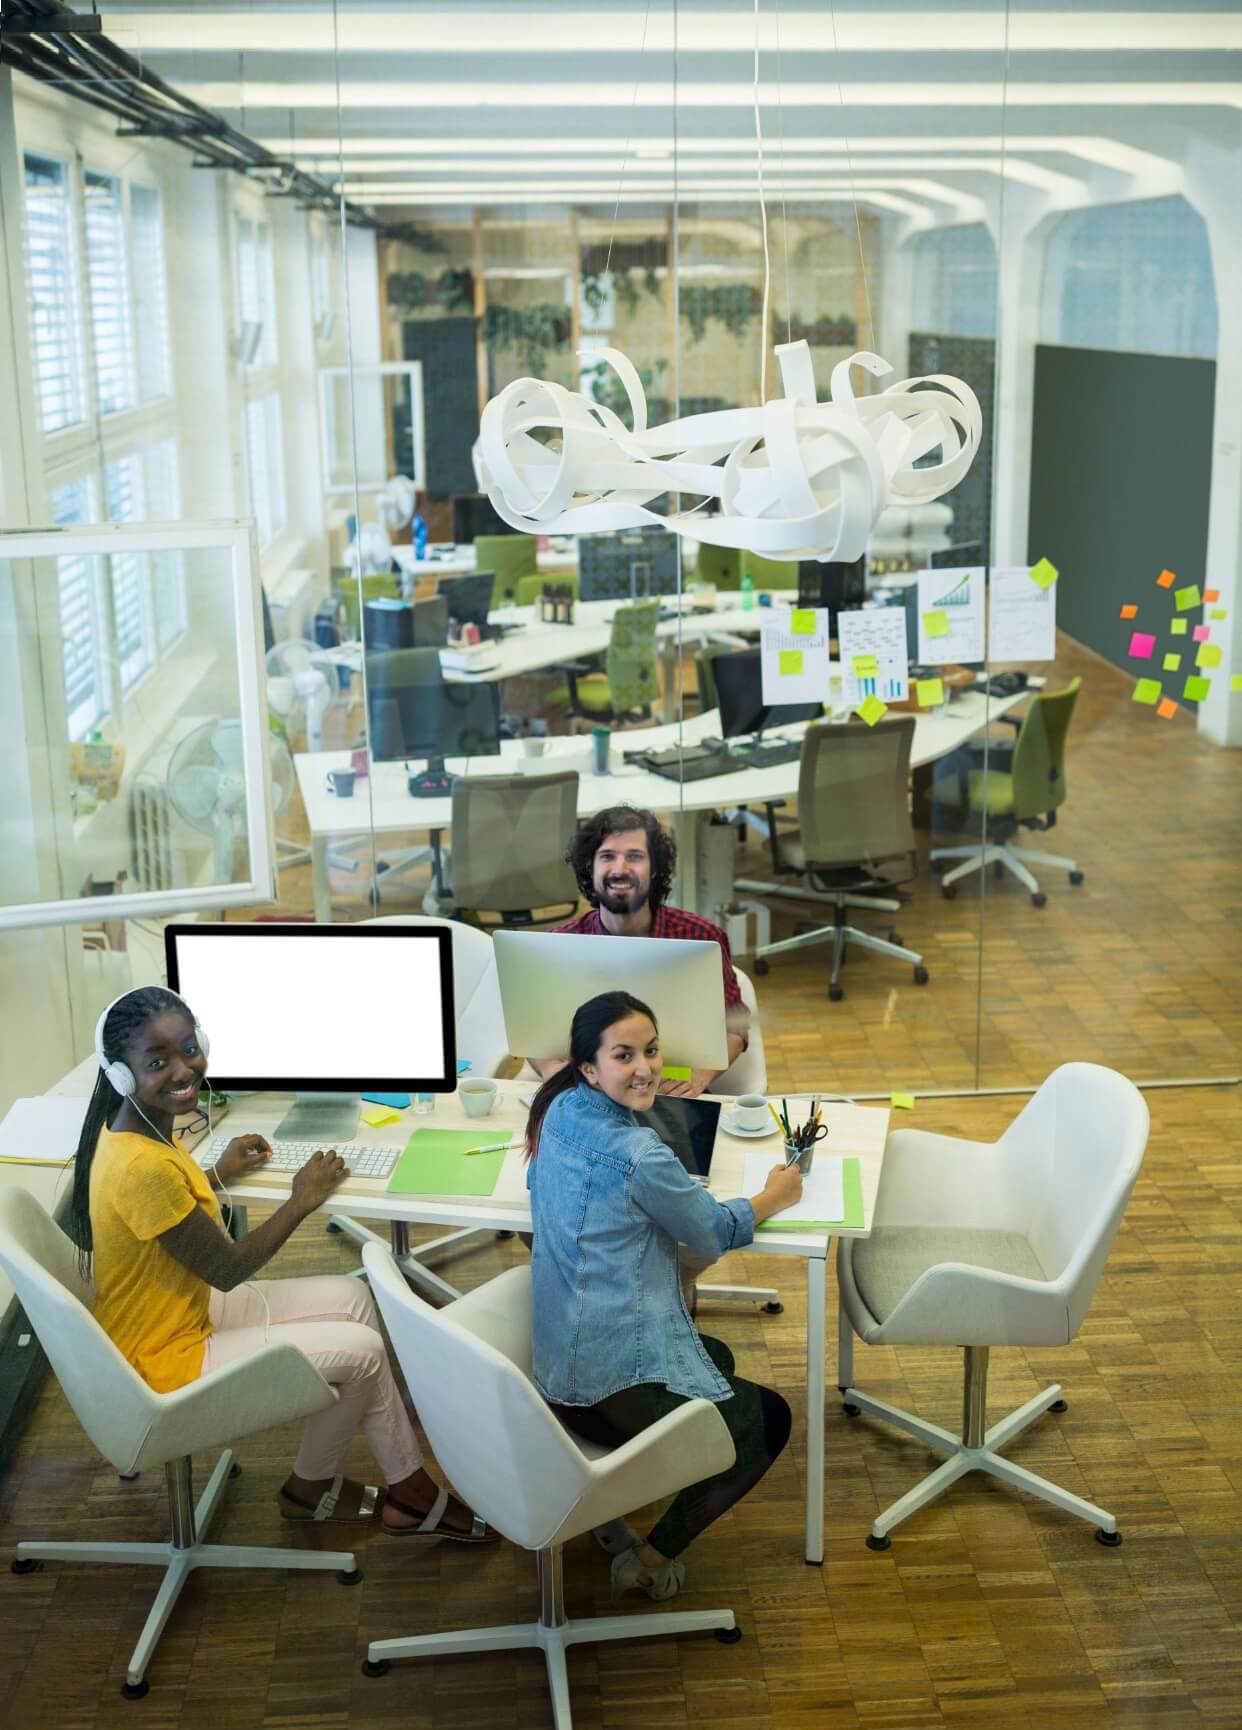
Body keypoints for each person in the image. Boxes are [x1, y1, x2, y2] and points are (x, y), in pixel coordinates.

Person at [69, 986, 493, 1543]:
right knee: (365, 1353)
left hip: (175, 1312)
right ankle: (400, 1491)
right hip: (163, 1357)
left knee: (353, 1298)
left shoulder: (132, 1127)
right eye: (157, 1062)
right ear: (122, 1075)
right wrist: (300, 1200)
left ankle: (325, 1486)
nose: (183, 1069)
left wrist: (217, 1175)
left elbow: (167, 1217)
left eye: (189, 1049)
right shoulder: (142, 1166)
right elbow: (227, 1269)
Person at [525, 990, 801, 1601]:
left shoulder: (560, 1110)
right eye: (624, 1055)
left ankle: (608, 1508)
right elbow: (711, 1229)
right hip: (600, 1391)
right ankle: (648, 1561)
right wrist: (774, 1196)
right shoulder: (641, 1156)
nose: (646, 1068)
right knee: (769, 1421)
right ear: (589, 1067)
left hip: (554, 1369)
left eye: (651, 1051)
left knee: (717, 1357)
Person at [530, 805, 750, 1098]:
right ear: (590, 868)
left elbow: (735, 1026)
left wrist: (700, 1077)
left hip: (670, 1093)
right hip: (589, 1094)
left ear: (654, 869)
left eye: (634, 856)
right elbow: (533, 1031)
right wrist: (550, 1070)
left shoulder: (700, 938)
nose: (619, 869)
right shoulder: (560, 945)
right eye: (607, 856)